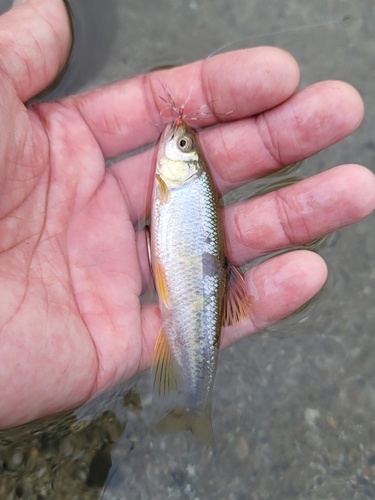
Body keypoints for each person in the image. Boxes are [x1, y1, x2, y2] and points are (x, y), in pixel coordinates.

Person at [0, 0, 374, 430]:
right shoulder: (177, 182)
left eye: (182, 147)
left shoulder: (174, 183)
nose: (177, 141)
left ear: (186, 166)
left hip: (192, 292)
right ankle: (195, 407)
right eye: (184, 145)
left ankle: (196, 407)